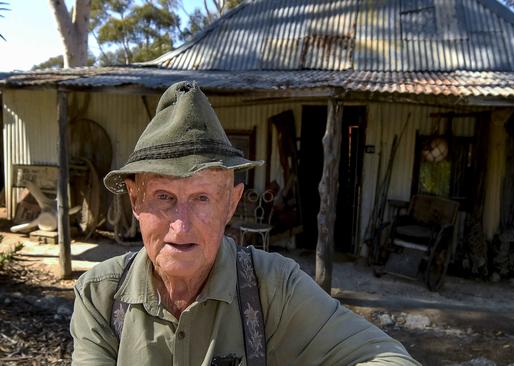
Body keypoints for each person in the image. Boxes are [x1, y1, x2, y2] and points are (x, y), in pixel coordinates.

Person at [70, 81, 420, 366]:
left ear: (231, 203)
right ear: (135, 200)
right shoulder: (100, 297)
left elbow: (386, 357)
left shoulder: (272, 289)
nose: (181, 224)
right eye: (164, 197)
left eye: (202, 198)